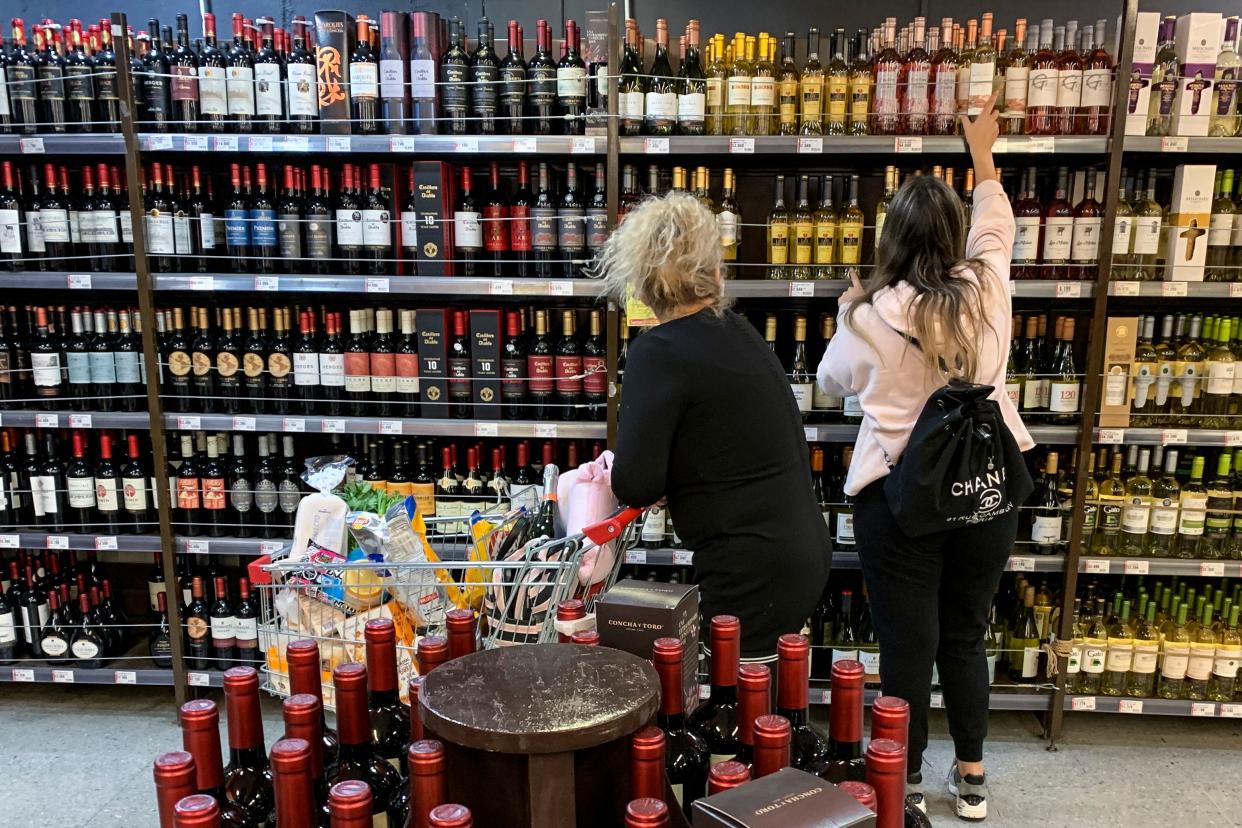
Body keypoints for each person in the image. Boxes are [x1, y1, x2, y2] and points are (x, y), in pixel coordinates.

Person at [816, 90, 1032, 822]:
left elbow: (829, 381)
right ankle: (971, 776)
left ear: (892, 241)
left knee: (907, 644)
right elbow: (997, 222)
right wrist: (982, 154)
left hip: (899, 497)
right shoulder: (989, 290)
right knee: (966, 634)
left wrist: (851, 308)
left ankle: (900, 778)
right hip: (985, 492)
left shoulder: (871, 314)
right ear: (956, 235)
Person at [600, 190, 831, 662]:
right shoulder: (738, 332)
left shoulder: (657, 351)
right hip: (795, 551)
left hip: (748, 569)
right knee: (763, 704)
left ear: (641, 280)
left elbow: (635, 482)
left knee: (738, 716)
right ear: (713, 267)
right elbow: (721, 439)